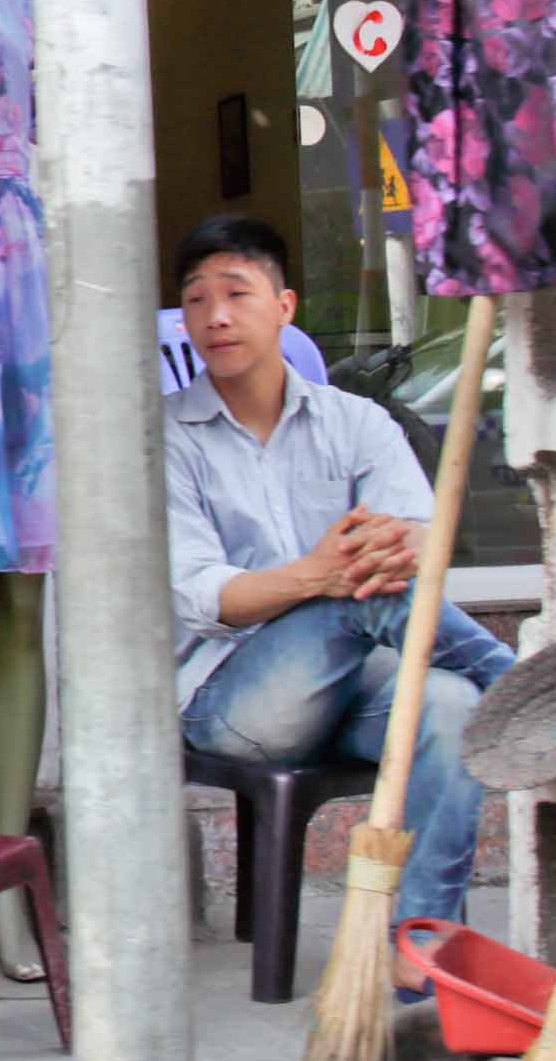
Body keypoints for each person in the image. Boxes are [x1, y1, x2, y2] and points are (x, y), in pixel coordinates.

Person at [163, 214, 511, 984]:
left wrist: (387, 554)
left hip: (351, 686)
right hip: (229, 704)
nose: (214, 316)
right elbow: (207, 598)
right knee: (359, 595)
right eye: (195, 301)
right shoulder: (168, 440)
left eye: (235, 293)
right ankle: (517, 688)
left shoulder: (357, 423)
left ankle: (420, 953)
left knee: (449, 707)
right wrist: (324, 576)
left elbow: (417, 547)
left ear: (284, 305)